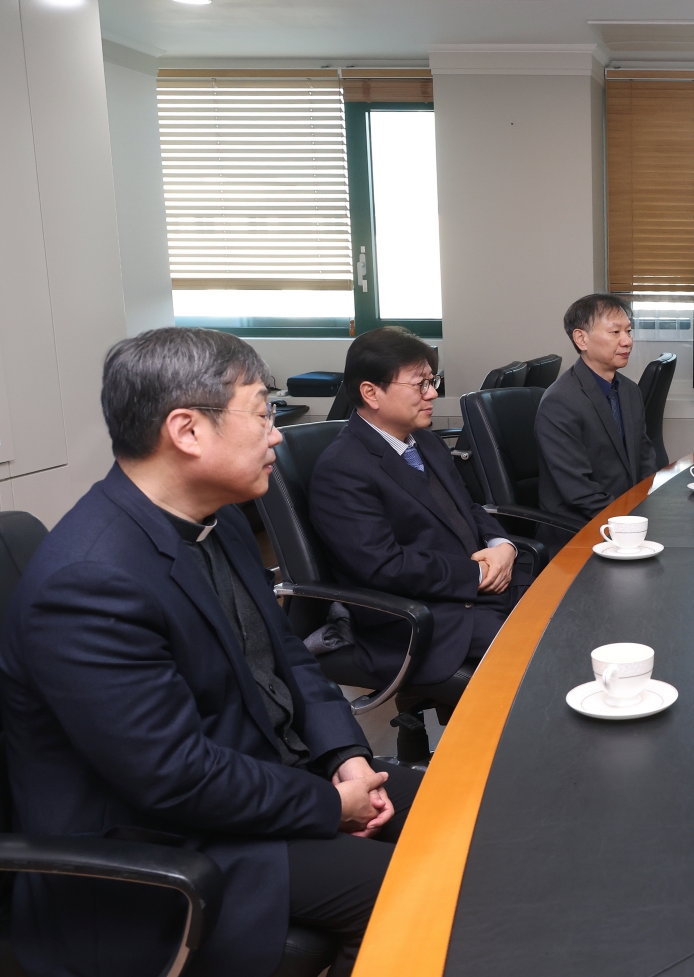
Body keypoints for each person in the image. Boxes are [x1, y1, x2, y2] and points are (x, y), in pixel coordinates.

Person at [0, 327, 421, 977]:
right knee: (416, 890)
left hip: (256, 782)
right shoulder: (88, 578)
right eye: (262, 411)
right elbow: (174, 775)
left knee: (454, 804)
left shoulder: (215, 513)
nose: (276, 432)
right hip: (166, 847)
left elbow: (286, 652)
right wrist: (330, 804)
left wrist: (348, 755)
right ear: (188, 430)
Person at [309, 328, 531, 757]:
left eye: (434, 381)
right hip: (418, 616)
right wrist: (477, 574)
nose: (432, 394)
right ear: (371, 392)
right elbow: (383, 566)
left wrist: (503, 546)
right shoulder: (343, 468)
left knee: (569, 611)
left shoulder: (423, 440)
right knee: (533, 658)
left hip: (468, 590)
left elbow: (471, 509)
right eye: (421, 383)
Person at [536, 294, 659, 530]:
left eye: (629, 331)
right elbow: (579, 490)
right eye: (615, 332)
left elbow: (645, 457)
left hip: (628, 519)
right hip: (579, 529)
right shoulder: (560, 402)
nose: (627, 341)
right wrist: (628, 522)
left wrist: (647, 507)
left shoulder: (629, 390)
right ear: (581, 338)